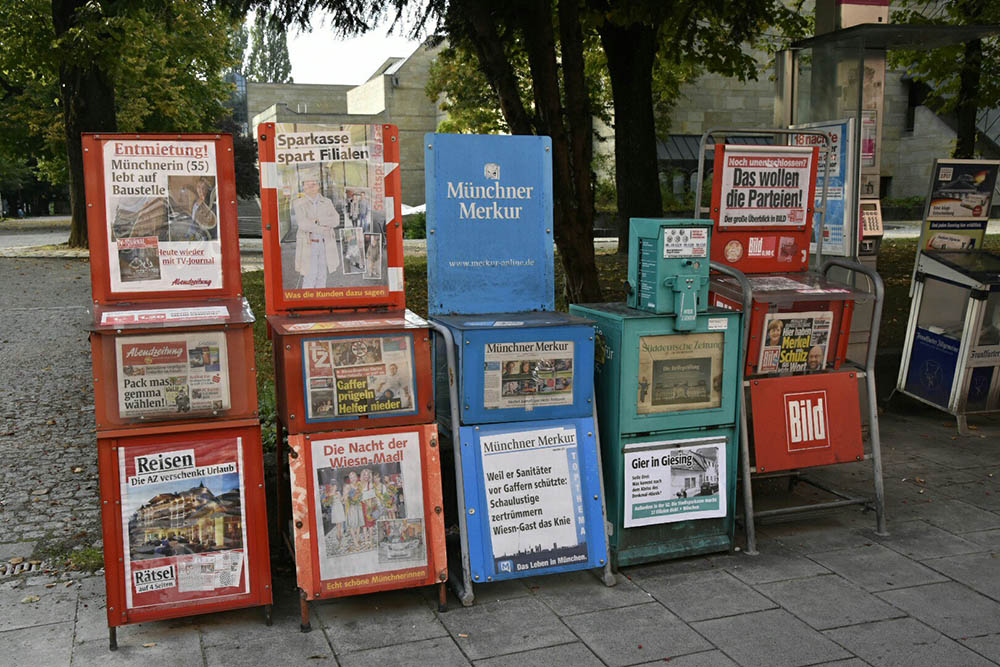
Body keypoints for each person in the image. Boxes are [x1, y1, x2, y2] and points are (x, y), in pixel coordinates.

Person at [293, 170, 341, 288]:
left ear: (318, 186)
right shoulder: (298, 203)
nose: (311, 187)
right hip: (309, 244)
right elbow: (303, 224)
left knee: (322, 275)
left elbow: (336, 220)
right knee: (310, 276)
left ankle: (320, 298)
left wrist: (318, 220)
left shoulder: (327, 202)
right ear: (303, 187)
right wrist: (324, 227)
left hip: (325, 243)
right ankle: (307, 299)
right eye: (307, 185)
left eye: (313, 184)